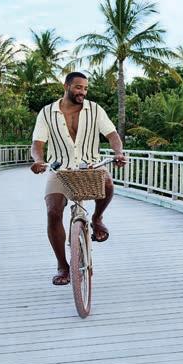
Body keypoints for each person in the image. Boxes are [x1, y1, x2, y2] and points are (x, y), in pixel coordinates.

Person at [30, 71, 127, 285]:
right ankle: (63, 266)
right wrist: (38, 160)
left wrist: (119, 152)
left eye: (85, 88)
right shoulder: (47, 113)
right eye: (78, 87)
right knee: (53, 212)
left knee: (107, 183)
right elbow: (37, 144)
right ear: (66, 86)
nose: (82, 92)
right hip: (60, 169)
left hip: (90, 165)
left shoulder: (95, 110)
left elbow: (112, 135)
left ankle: (97, 219)